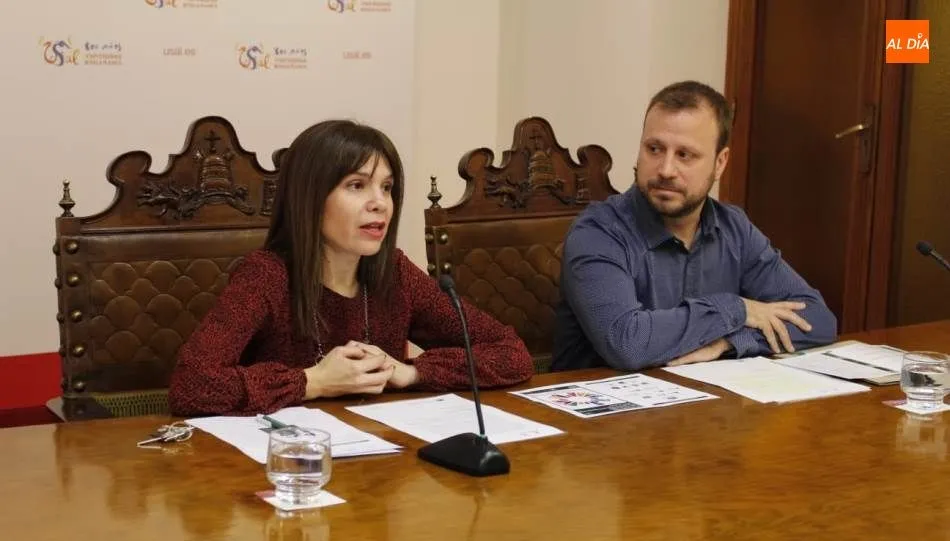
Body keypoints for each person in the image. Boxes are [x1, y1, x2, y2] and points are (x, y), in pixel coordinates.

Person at [169, 120, 534, 416]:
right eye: (357, 185)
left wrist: (410, 372)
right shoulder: (266, 276)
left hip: (377, 469)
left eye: (387, 187)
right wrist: (313, 382)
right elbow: (192, 386)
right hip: (286, 475)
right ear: (310, 199)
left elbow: (511, 354)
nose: (380, 204)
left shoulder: (393, 273)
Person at [551, 81, 837, 372]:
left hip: (703, 406)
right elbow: (628, 343)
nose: (665, 169)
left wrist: (730, 341)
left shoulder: (734, 229)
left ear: (720, 163)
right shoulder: (598, 232)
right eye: (654, 149)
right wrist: (736, 309)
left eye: (685, 155)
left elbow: (818, 320)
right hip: (596, 410)